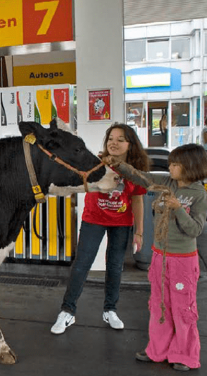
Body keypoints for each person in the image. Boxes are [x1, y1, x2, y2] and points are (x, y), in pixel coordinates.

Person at [104, 143, 207, 372]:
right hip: (159, 257)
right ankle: (158, 349)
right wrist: (119, 165)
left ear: (191, 167)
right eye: (171, 163)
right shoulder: (167, 184)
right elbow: (143, 177)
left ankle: (184, 354)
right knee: (159, 306)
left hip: (183, 260)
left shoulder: (200, 195)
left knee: (183, 308)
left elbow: (195, 230)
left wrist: (178, 209)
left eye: (175, 164)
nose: (170, 167)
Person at [51, 123, 150, 335]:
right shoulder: (96, 162)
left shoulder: (135, 172)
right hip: (93, 219)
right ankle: (67, 311)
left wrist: (139, 232)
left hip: (122, 223)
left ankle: (110, 310)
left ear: (130, 144)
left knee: (115, 267)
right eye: (110, 138)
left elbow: (138, 201)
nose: (113, 143)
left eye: (120, 139)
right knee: (81, 265)